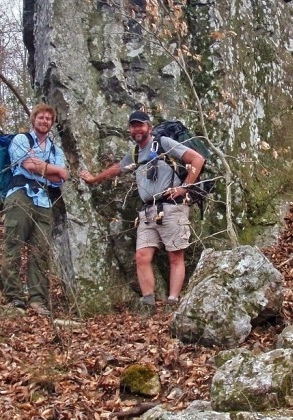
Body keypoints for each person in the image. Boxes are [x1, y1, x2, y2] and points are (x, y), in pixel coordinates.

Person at [80, 110, 205, 309]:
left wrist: (184, 187)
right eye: (133, 126)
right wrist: (94, 179)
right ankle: (148, 302)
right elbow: (117, 169)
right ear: (129, 129)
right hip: (147, 212)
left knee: (175, 256)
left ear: (149, 127)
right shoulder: (135, 152)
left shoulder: (163, 143)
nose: (137, 129)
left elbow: (197, 160)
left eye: (141, 125)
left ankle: (172, 301)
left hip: (172, 207)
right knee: (142, 256)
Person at [1, 103, 68, 316]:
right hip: (20, 196)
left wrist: (43, 167)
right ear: (34, 119)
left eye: (49, 118)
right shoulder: (21, 140)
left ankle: (37, 300)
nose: (44, 121)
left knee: (40, 251)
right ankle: (14, 297)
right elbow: (29, 166)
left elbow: (60, 180)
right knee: (14, 245)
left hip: (44, 201)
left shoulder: (55, 149)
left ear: (52, 123)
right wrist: (52, 169)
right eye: (41, 117)